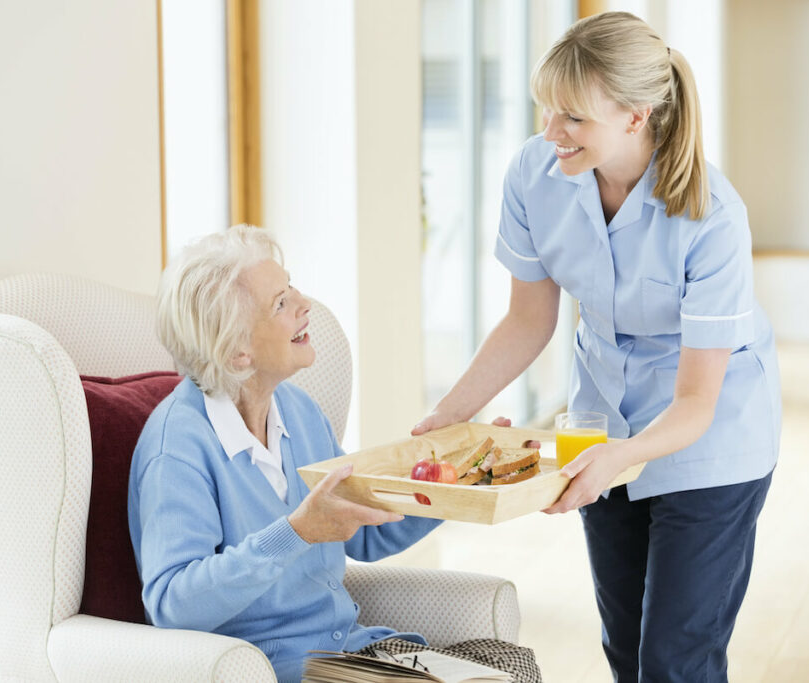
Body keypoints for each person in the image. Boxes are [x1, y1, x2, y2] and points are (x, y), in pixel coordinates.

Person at [412, 11, 780, 683]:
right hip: (601, 420)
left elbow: (698, 402)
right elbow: (529, 319)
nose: (550, 132)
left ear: (636, 116)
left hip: (712, 438)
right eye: (546, 110)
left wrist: (621, 457)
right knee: (625, 649)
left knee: (675, 659)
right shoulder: (536, 173)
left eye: (573, 118)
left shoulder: (712, 217)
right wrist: (448, 413)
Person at [128, 225, 542, 683]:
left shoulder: (298, 411)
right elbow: (172, 605)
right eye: (280, 303)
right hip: (276, 668)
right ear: (238, 352)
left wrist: (461, 480)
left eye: (292, 288)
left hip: (351, 650)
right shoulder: (178, 447)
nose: (305, 305)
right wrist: (297, 532)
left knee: (513, 668)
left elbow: (363, 532)